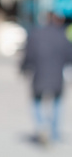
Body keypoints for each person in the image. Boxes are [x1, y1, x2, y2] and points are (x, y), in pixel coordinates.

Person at [20, 12, 72, 144]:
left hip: (39, 74)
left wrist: (24, 68)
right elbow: (69, 57)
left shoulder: (35, 34)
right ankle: (54, 133)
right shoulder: (63, 36)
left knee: (36, 101)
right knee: (57, 103)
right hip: (57, 76)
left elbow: (28, 54)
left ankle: (41, 125)